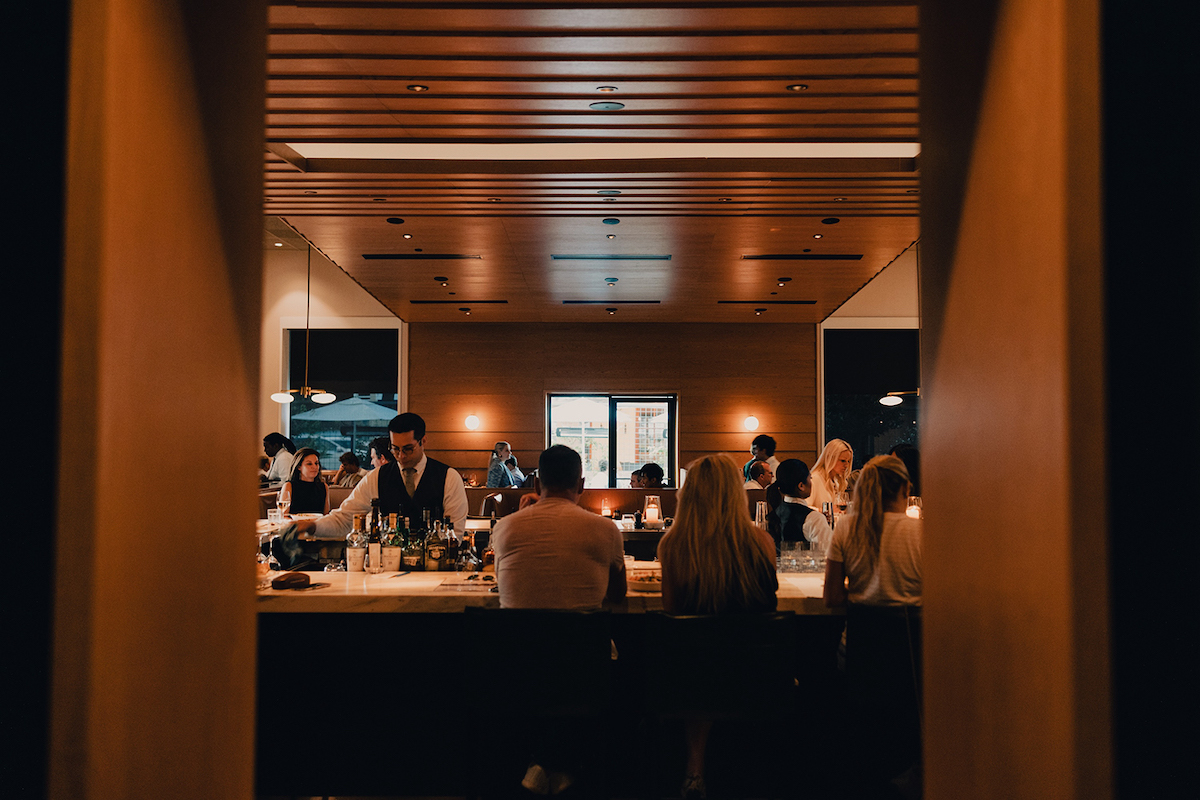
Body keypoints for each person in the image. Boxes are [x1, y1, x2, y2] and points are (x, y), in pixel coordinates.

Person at [491, 444, 626, 795]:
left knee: (544, 670)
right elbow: (618, 595)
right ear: (581, 483)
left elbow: (500, 583)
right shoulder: (605, 530)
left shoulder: (504, 528)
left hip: (515, 666)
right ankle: (560, 767)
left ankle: (541, 764)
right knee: (587, 666)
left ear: (536, 485)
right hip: (584, 669)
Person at [657, 454, 779, 800]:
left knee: (696, 659)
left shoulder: (674, 545)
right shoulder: (762, 543)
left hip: (694, 676)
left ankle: (694, 767)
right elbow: (766, 605)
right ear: (735, 494)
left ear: (689, 494)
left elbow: (673, 616)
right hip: (754, 672)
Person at [823, 454, 922, 787]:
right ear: (906, 488)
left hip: (861, 655)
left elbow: (832, 598)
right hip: (914, 656)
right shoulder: (922, 531)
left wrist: (867, 589)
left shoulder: (847, 528)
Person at [292, 413, 468, 540]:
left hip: (436, 569)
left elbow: (456, 534)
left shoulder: (448, 478)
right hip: (389, 569)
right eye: (395, 449)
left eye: (408, 449)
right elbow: (345, 519)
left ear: (423, 441)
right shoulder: (376, 477)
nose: (401, 456)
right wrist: (313, 526)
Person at [765, 459, 833, 553]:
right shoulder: (813, 518)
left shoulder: (772, 515)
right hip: (804, 566)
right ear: (801, 486)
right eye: (810, 478)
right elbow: (828, 554)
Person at [279, 447, 330, 515]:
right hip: (295, 524)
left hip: (317, 525)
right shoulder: (289, 486)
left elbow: (326, 515)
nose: (314, 467)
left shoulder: (324, 487)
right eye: (309, 464)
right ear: (299, 467)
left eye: (316, 463)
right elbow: (283, 515)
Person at [808, 438, 853, 512]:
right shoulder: (815, 478)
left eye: (848, 461)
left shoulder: (836, 481)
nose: (846, 465)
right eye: (842, 461)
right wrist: (824, 510)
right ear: (830, 458)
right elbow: (802, 508)